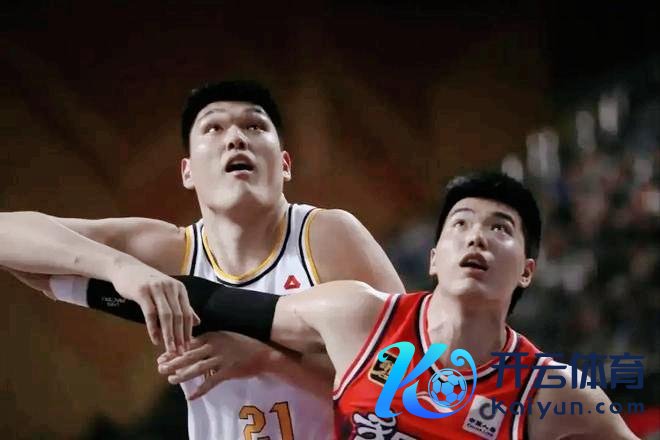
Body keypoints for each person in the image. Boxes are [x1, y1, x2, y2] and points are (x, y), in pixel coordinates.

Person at [49, 171, 637, 439]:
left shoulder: (553, 394)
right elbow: (217, 304)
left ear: (527, 269)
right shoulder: (360, 317)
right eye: (461, 224)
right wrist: (96, 279)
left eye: (500, 228)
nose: (477, 237)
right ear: (434, 256)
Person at [0, 80, 404, 439]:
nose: (236, 138)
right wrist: (120, 267)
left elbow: (409, 375)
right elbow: (11, 239)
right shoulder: (171, 251)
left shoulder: (327, 235)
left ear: (284, 165)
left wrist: (267, 360)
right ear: (188, 172)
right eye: (214, 127)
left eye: (254, 126)